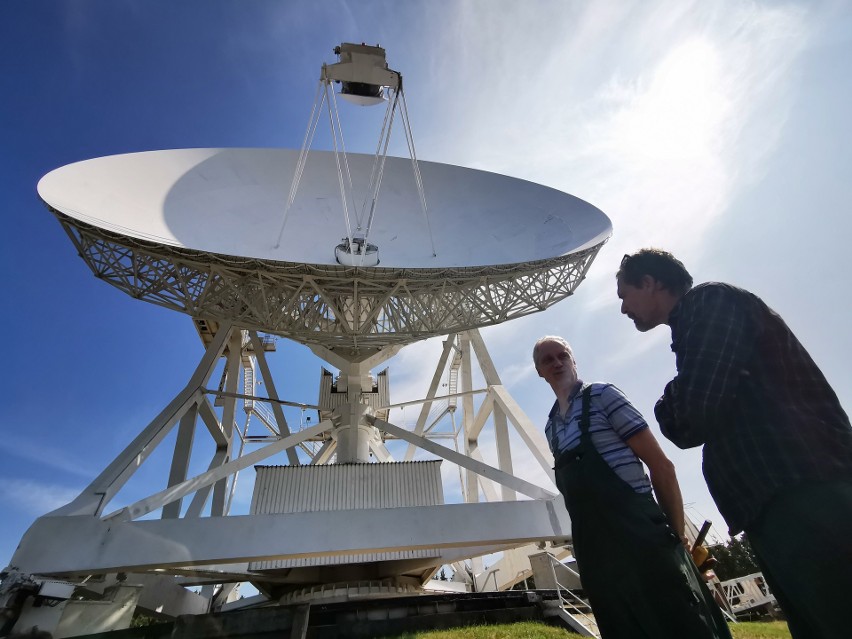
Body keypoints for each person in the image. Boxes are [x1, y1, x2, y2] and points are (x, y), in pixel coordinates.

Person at [616, 248, 852, 639]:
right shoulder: (692, 329)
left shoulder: (710, 303)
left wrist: (667, 402)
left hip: (802, 489)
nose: (623, 309)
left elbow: (693, 417)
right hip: (771, 503)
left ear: (649, 283)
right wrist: (679, 397)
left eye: (624, 295)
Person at [534, 336, 731, 639]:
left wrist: (676, 537)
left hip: (641, 536)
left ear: (574, 360)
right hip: (596, 553)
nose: (557, 362)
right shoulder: (551, 428)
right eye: (548, 359)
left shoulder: (602, 395)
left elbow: (662, 467)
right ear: (539, 371)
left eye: (563, 355)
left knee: (682, 623)